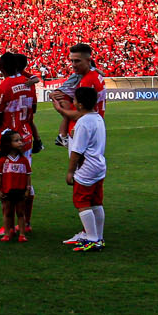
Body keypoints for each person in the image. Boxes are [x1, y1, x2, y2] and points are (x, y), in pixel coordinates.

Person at [0, 52, 40, 236]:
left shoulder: (3, 87)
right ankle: (25, 223)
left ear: (2, 68)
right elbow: (33, 109)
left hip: (8, 140)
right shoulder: (29, 86)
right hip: (25, 138)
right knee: (25, 180)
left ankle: (8, 226)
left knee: (6, 184)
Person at [64, 86, 107, 251]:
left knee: (82, 202)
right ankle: (99, 237)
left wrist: (70, 171)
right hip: (99, 165)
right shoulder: (97, 118)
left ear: (80, 104)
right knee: (96, 202)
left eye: (74, 100)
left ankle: (91, 238)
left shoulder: (83, 122)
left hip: (86, 168)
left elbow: (77, 151)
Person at [51, 43, 106, 146]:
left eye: (77, 61)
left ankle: (62, 136)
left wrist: (60, 109)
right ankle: (62, 136)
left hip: (84, 131)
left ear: (88, 61)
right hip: (93, 127)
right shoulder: (94, 75)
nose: (73, 64)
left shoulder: (87, 82)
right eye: (72, 61)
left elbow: (79, 114)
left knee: (78, 161)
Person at [0, 128, 34, 242]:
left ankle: (22, 234)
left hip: (20, 190)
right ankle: (7, 233)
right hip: (7, 190)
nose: (20, 142)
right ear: (8, 144)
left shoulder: (24, 160)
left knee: (21, 213)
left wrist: (27, 189)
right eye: (16, 141)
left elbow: (28, 175)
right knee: (7, 213)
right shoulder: (3, 160)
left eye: (20, 140)